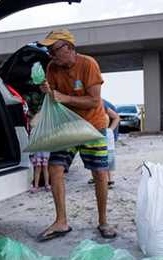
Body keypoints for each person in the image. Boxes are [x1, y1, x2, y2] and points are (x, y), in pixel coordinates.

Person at [36, 29, 116, 241]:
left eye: (54, 50)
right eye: (49, 51)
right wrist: (47, 90)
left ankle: (103, 221)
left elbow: (93, 101)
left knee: (100, 173)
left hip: (93, 125)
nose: (51, 55)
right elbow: (55, 97)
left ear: (69, 48)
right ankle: (61, 221)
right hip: (68, 126)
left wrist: (64, 97)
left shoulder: (88, 64)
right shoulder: (52, 67)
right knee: (55, 168)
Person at [88, 99, 120, 188]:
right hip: (95, 134)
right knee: (95, 156)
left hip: (104, 135)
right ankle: (98, 178)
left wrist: (110, 130)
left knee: (106, 156)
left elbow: (116, 117)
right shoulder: (90, 107)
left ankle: (109, 180)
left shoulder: (102, 106)